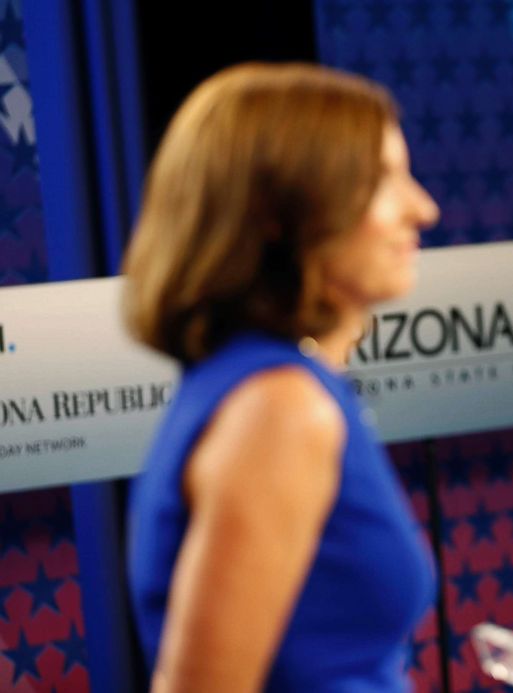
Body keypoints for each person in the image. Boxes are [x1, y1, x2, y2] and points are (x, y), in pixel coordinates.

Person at [123, 63, 439, 691]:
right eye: (381, 181)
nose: (422, 209)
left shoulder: (281, 384)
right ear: (277, 214)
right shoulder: (279, 409)